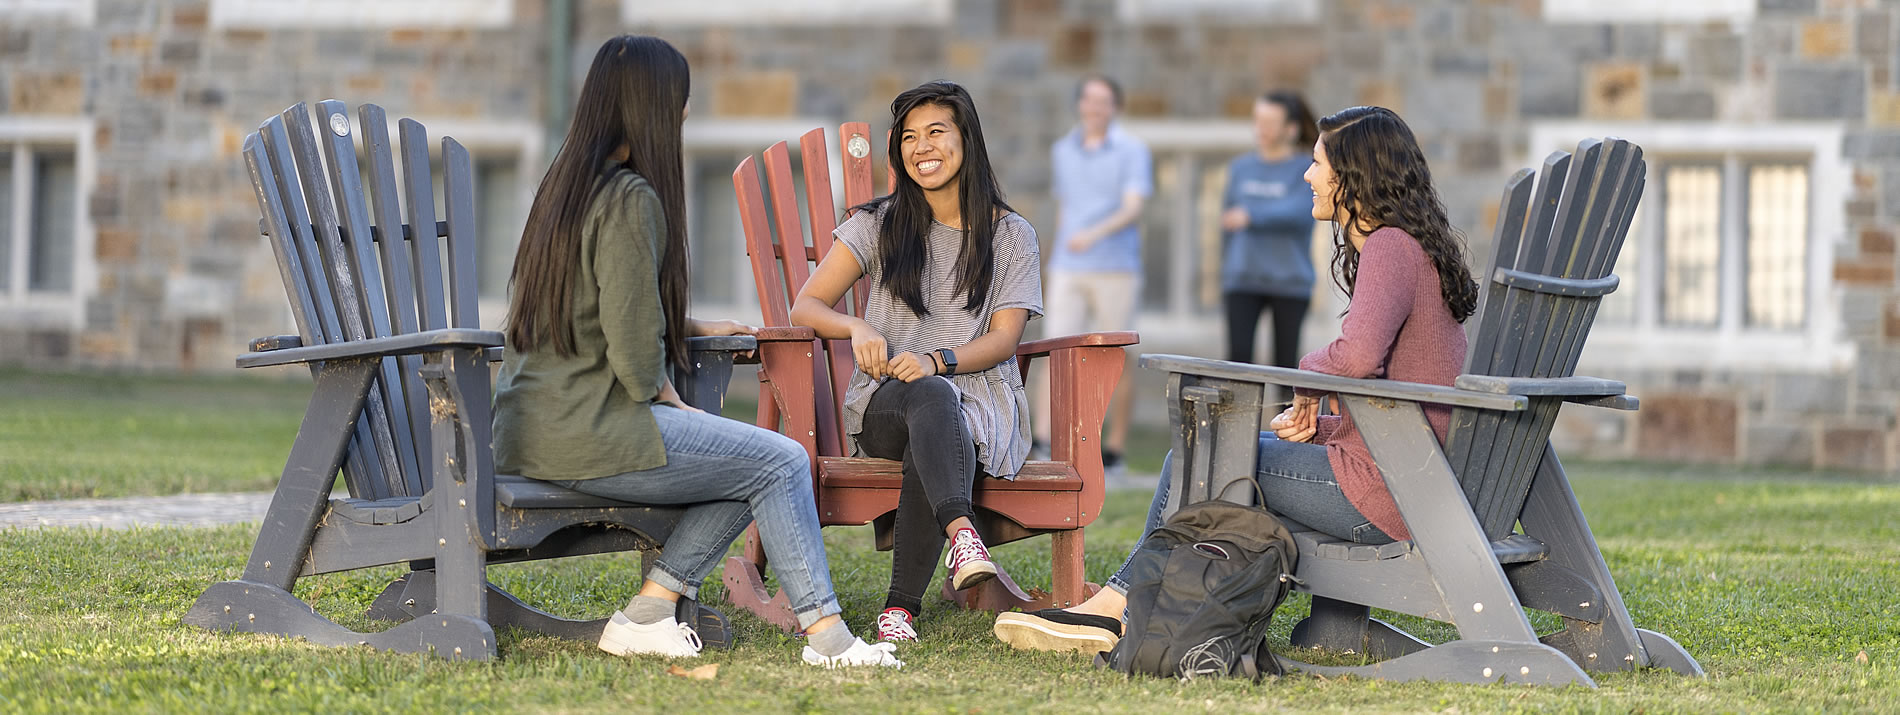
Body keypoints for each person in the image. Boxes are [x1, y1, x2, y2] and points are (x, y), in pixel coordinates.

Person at [993, 105, 1480, 655]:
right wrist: (1321, 426)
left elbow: (1358, 357)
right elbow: (1393, 387)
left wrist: (1307, 379)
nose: (1306, 175)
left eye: (1318, 164)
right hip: (1408, 478)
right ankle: (1147, 608)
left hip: (1391, 494)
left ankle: (1116, 609)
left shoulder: (1391, 245)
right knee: (1214, 450)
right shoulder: (1406, 247)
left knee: (1196, 459)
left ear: (1354, 176)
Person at [490, 35, 899, 669]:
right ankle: (829, 641)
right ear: (653, 104)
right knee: (783, 459)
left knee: (750, 466)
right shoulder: (630, 198)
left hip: (531, 427)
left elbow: (592, 305)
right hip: (590, 430)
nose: (685, 112)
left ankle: (649, 613)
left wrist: (688, 322)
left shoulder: (565, 189)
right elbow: (633, 357)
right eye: (681, 98)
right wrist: (679, 404)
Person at [791, 80, 1043, 643]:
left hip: (979, 404)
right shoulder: (878, 224)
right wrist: (855, 325)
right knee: (931, 400)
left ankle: (898, 613)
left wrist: (937, 360)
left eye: (935, 132)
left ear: (966, 140)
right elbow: (805, 305)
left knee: (938, 409)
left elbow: (1005, 337)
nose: (921, 147)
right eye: (908, 137)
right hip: (887, 405)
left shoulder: (1011, 235)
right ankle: (961, 538)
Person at [1031, 74, 1152, 472]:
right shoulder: (1063, 149)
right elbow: (1066, 207)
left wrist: (1093, 234)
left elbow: (1134, 206)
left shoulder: (1132, 150)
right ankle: (1045, 441)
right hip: (1069, 266)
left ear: (1114, 107)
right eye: (1089, 100)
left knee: (1117, 357)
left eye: (1103, 101)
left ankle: (1113, 449)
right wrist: (1059, 254)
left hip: (1116, 266)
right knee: (1054, 350)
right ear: (1081, 105)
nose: (1095, 108)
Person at [1221, 90, 1320, 405]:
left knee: (1285, 368)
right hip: (1242, 278)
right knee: (1236, 365)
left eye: (1269, 122)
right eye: (1257, 120)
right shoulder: (1240, 168)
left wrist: (1251, 215)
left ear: (1290, 129)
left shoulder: (1306, 168)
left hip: (1290, 281)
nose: (1260, 128)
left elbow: (1301, 213)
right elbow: (1226, 222)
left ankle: (1287, 441)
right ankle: (1231, 440)